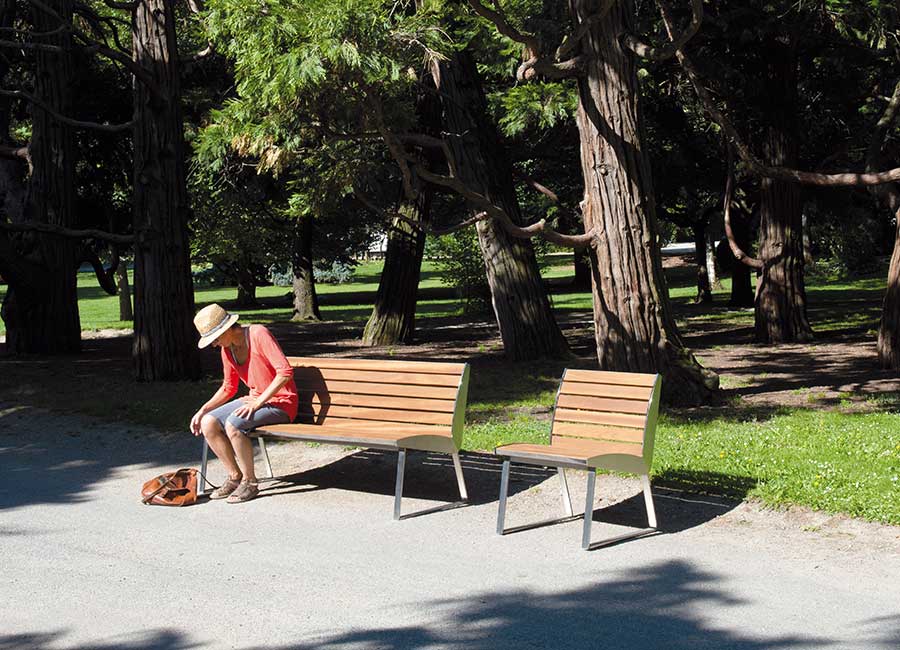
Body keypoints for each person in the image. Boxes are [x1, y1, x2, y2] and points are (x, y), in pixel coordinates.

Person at [190, 303, 298, 503]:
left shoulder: (258, 334)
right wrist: (203, 410)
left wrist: (258, 403)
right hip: (255, 400)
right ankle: (234, 476)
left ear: (228, 328)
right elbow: (228, 387)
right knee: (208, 422)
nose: (214, 344)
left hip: (282, 402)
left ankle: (250, 482)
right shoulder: (227, 349)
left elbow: (284, 372)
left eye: (215, 339)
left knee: (234, 423)